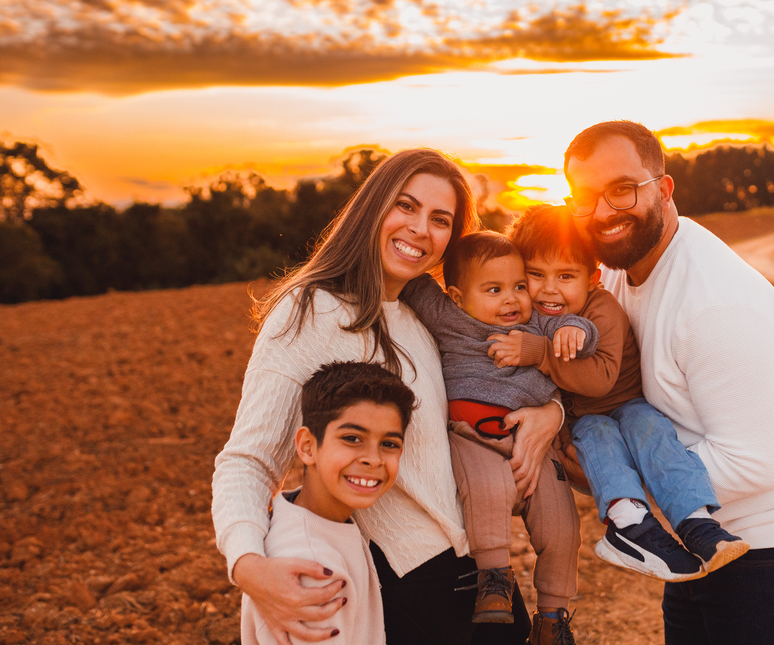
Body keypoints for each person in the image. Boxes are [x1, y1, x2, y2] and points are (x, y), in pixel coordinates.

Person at [213, 149, 564, 645]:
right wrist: (248, 568)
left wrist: (552, 411)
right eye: (406, 206)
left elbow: (496, 382)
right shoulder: (310, 310)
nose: (421, 229)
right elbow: (247, 460)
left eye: (440, 220)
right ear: (373, 207)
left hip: (479, 568)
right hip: (410, 580)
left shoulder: (425, 312)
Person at [561, 121, 774, 645]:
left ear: (664, 189)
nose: (602, 212)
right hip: (698, 532)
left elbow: (755, 464)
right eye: (585, 197)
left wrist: (618, 485)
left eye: (621, 189)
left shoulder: (716, 305)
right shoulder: (621, 272)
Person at [504, 204, 749, 582]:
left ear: (592, 278)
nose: (549, 288)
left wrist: (538, 352)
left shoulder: (603, 309)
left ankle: (697, 522)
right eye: (536, 275)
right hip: (586, 419)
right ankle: (630, 525)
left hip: (625, 402)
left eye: (565, 276)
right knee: (597, 437)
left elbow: (600, 379)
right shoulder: (528, 315)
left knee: (651, 431)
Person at [399, 230, 591, 644]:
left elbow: (572, 323)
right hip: (474, 437)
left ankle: (553, 616)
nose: (512, 299)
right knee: (484, 492)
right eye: (494, 289)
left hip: (536, 446)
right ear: (455, 296)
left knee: (561, 525)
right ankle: (494, 580)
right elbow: (411, 280)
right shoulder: (448, 317)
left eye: (519, 286)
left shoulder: (532, 325)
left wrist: (573, 333)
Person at [242, 361, 418, 645]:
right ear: (308, 447)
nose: (373, 459)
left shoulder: (316, 521)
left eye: (389, 444)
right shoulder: (313, 567)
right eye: (352, 438)